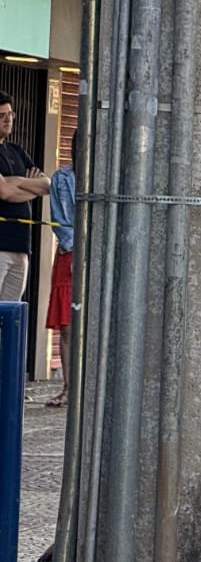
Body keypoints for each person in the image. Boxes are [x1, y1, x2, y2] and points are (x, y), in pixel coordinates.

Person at [0, 91, 51, 304]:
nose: (8, 119)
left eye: (11, 114)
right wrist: (29, 187)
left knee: (11, 314)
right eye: (2, 115)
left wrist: (16, 181)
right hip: (0, 246)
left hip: (21, 245)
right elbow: (3, 192)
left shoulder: (17, 151)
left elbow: (47, 185)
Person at [45, 131, 79, 408]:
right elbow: (59, 218)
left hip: (96, 255)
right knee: (67, 325)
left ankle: (85, 385)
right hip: (69, 254)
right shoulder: (61, 178)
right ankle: (68, 387)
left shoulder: (110, 174)